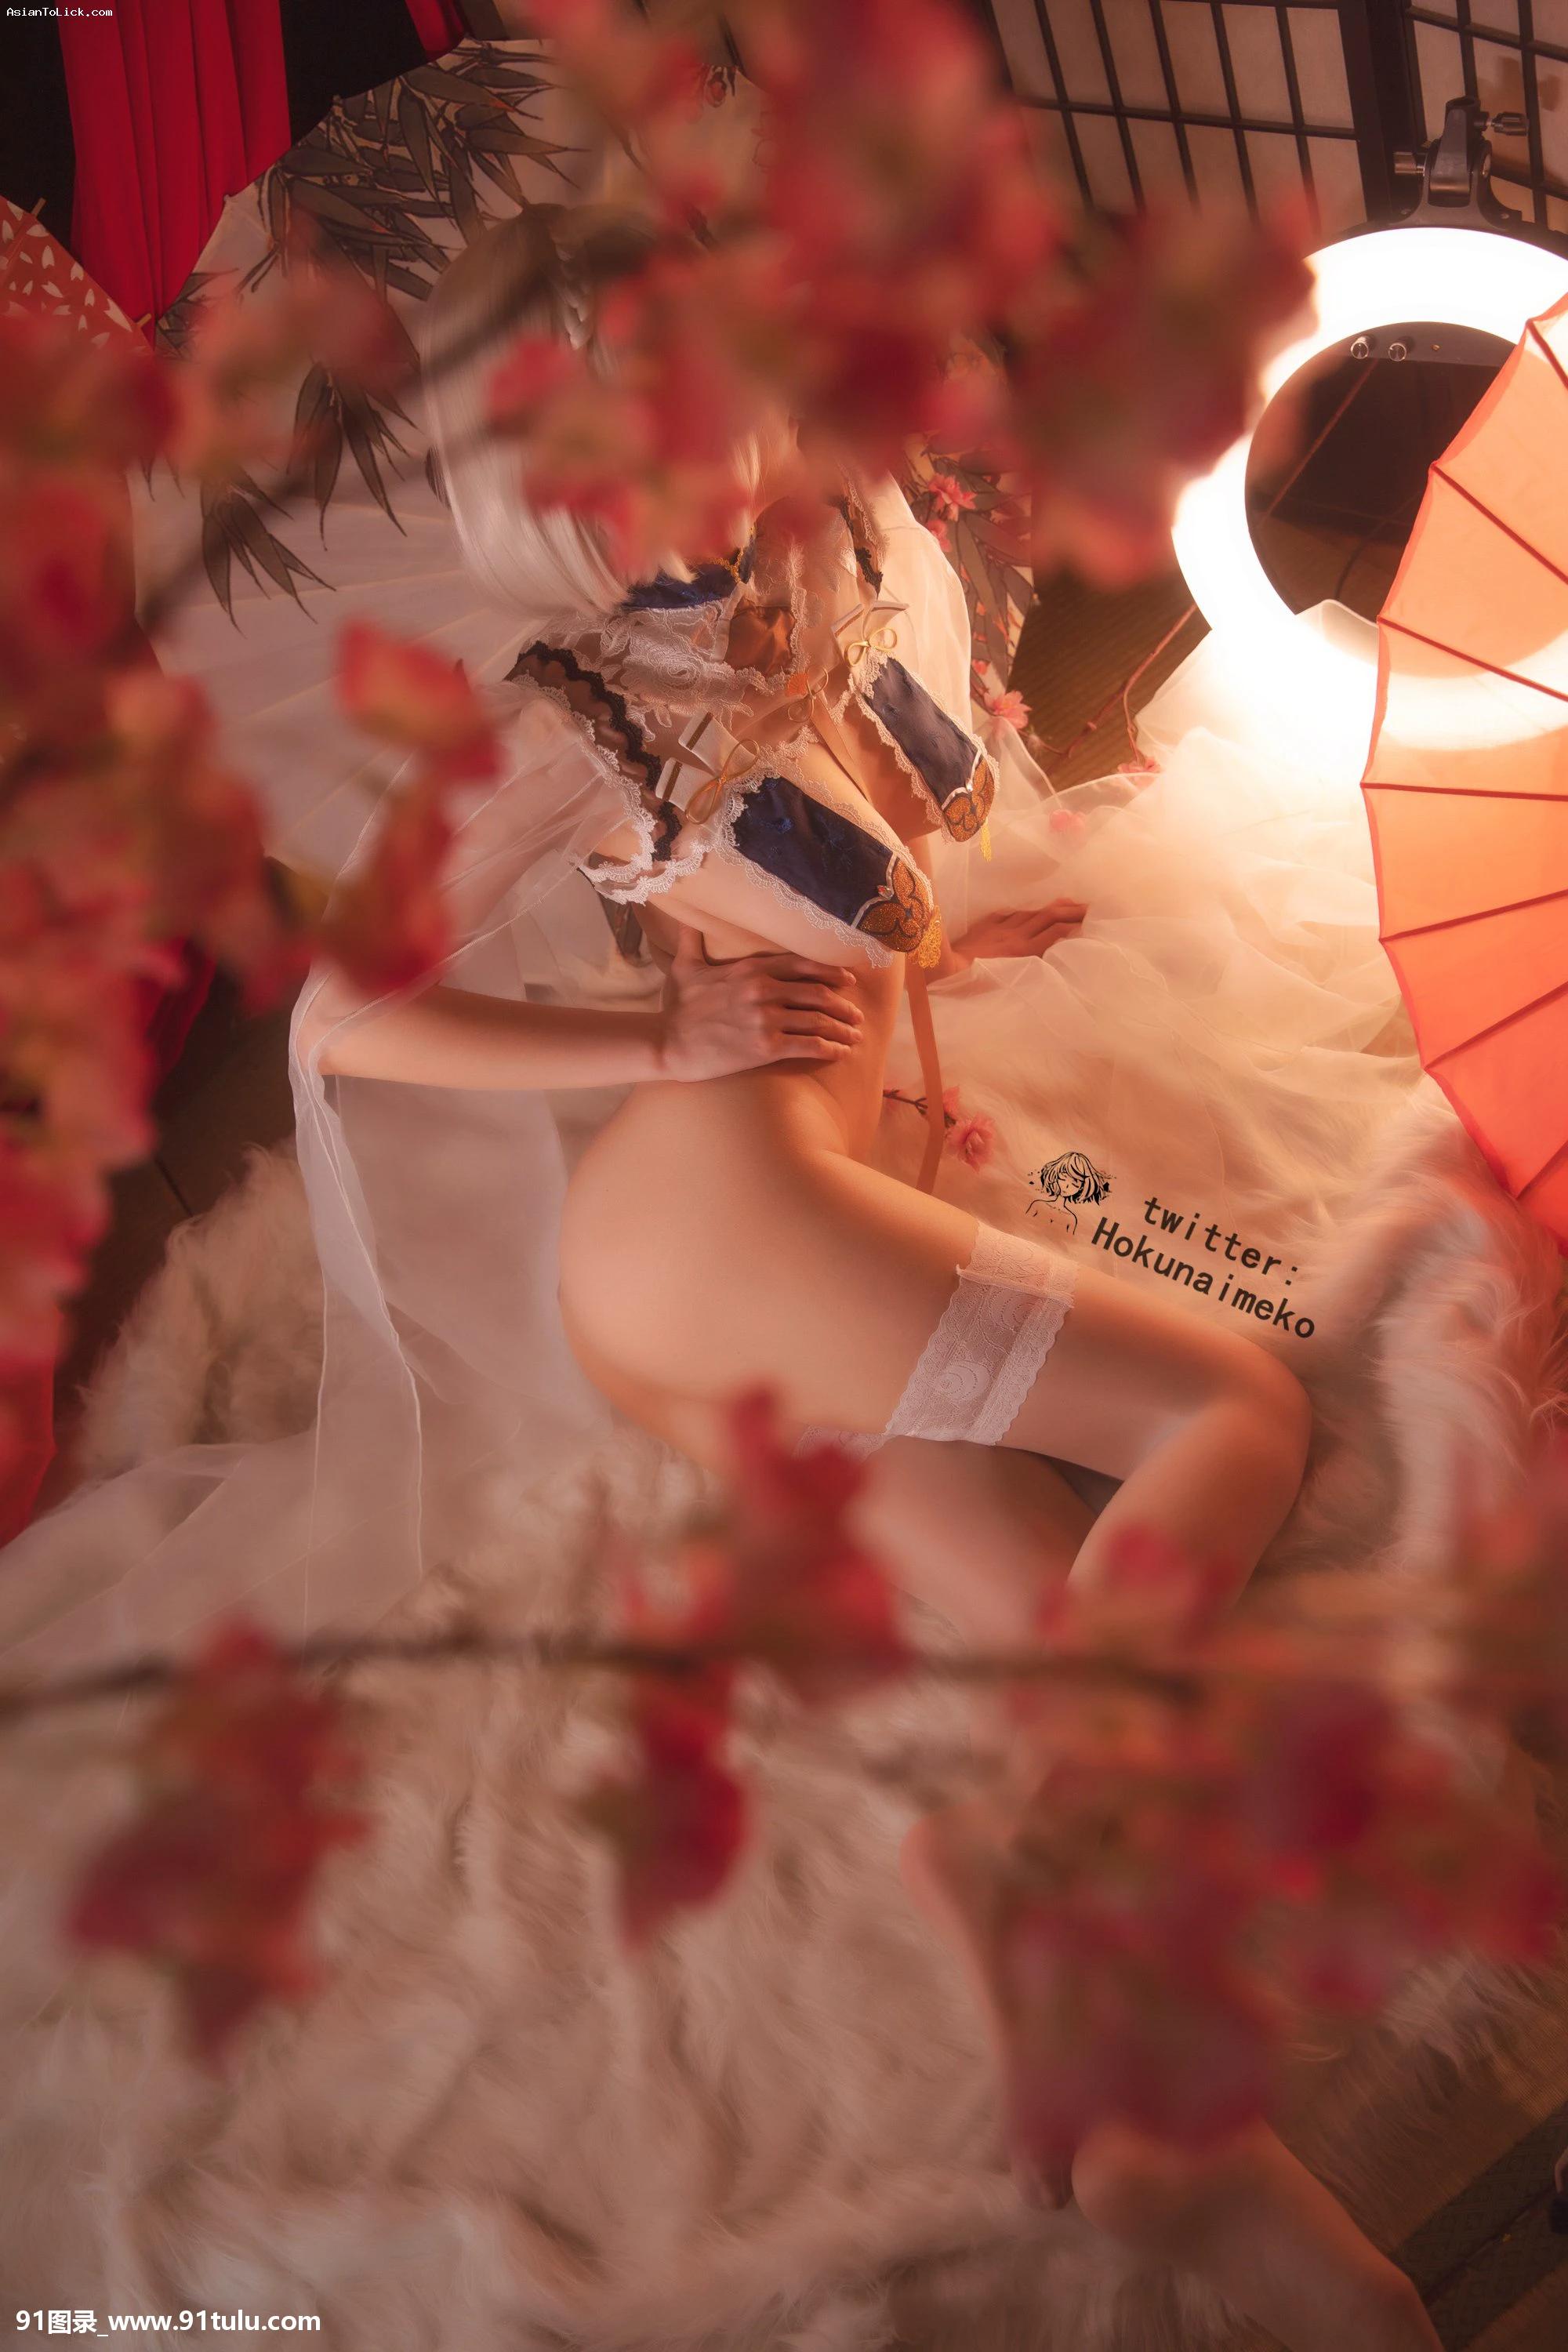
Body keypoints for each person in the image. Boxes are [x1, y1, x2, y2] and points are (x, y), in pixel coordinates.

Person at [291, 230, 1438, 2352]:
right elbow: (340, 1013)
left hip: (754, 1259)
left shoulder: (797, 595)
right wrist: (658, 1036)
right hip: (723, 1220)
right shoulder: (574, 703)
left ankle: (1150, 2108)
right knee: (1230, 1416)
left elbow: (809, 873)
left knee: (1070, 1635)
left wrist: (926, 956)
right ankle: (1044, 1902)